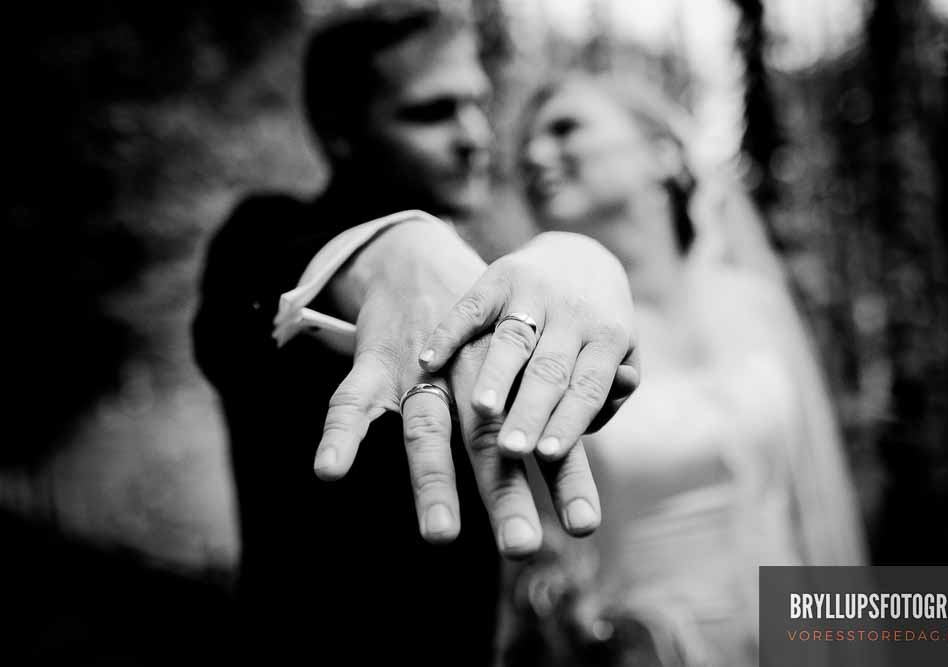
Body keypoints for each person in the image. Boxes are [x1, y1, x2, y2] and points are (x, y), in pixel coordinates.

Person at [193, 3, 638, 663]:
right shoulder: (262, 235)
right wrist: (383, 243)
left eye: (477, 104)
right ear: (340, 130)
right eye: (432, 112)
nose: (474, 134)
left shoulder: (482, 274)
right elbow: (248, 310)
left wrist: (586, 260)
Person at [498, 73, 867, 666]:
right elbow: (535, 544)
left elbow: (812, 493)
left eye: (566, 128)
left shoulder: (754, 304)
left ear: (663, 155)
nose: (535, 156)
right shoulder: (551, 337)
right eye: (525, 147)